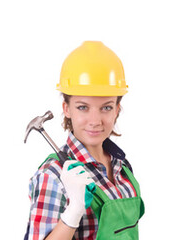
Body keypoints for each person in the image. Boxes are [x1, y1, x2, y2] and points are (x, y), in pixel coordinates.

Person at [25, 41, 144, 240]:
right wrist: (73, 212)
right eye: (83, 107)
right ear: (66, 108)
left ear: (117, 109)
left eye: (106, 107)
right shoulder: (54, 175)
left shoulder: (121, 166)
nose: (95, 121)